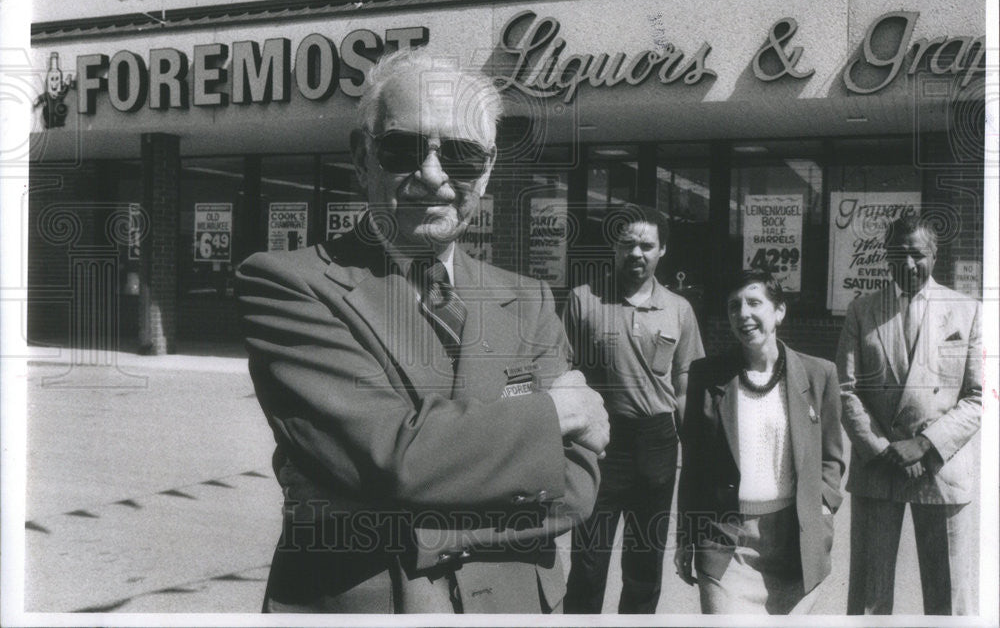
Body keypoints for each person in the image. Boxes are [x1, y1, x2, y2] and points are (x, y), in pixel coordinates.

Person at [236, 49, 608, 614]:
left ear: (485, 169)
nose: (433, 175)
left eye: (461, 155)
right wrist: (552, 417)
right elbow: (390, 458)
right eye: (404, 149)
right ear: (363, 158)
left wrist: (397, 516)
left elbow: (577, 487)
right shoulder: (288, 284)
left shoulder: (528, 300)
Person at [675, 268, 844, 614]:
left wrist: (822, 506)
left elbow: (831, 457)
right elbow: (693, 469)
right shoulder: (706, 376)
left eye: (754, 302)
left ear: (779, 311)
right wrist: (685, 538)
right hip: (726, 542)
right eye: (734, 306)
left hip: (795, 542)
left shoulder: (818, 374)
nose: (743, 314)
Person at [836, 215, 982, 615]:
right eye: (898, 255)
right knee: (869, 596)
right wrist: (884, 450)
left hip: (941, 467)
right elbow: (847, 390)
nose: (909, 265)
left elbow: (979, 397)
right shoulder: (862, 310)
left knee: (948, 597)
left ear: (934, 254)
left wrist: (923, 445)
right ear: (886, 257)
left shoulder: (967, 311)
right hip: (878, 466)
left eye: (918, 255)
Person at [564, 204, 705, 613]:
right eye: (628, 244)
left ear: (663, 250)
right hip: (600, 443)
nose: (637, 254)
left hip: (657, 443)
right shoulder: (583, 300)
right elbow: (566, 374)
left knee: (644, 565)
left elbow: (684, 383)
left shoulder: (679, 309)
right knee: (588, 564)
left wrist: (692, 448)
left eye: (647, 245)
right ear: (614, 247)